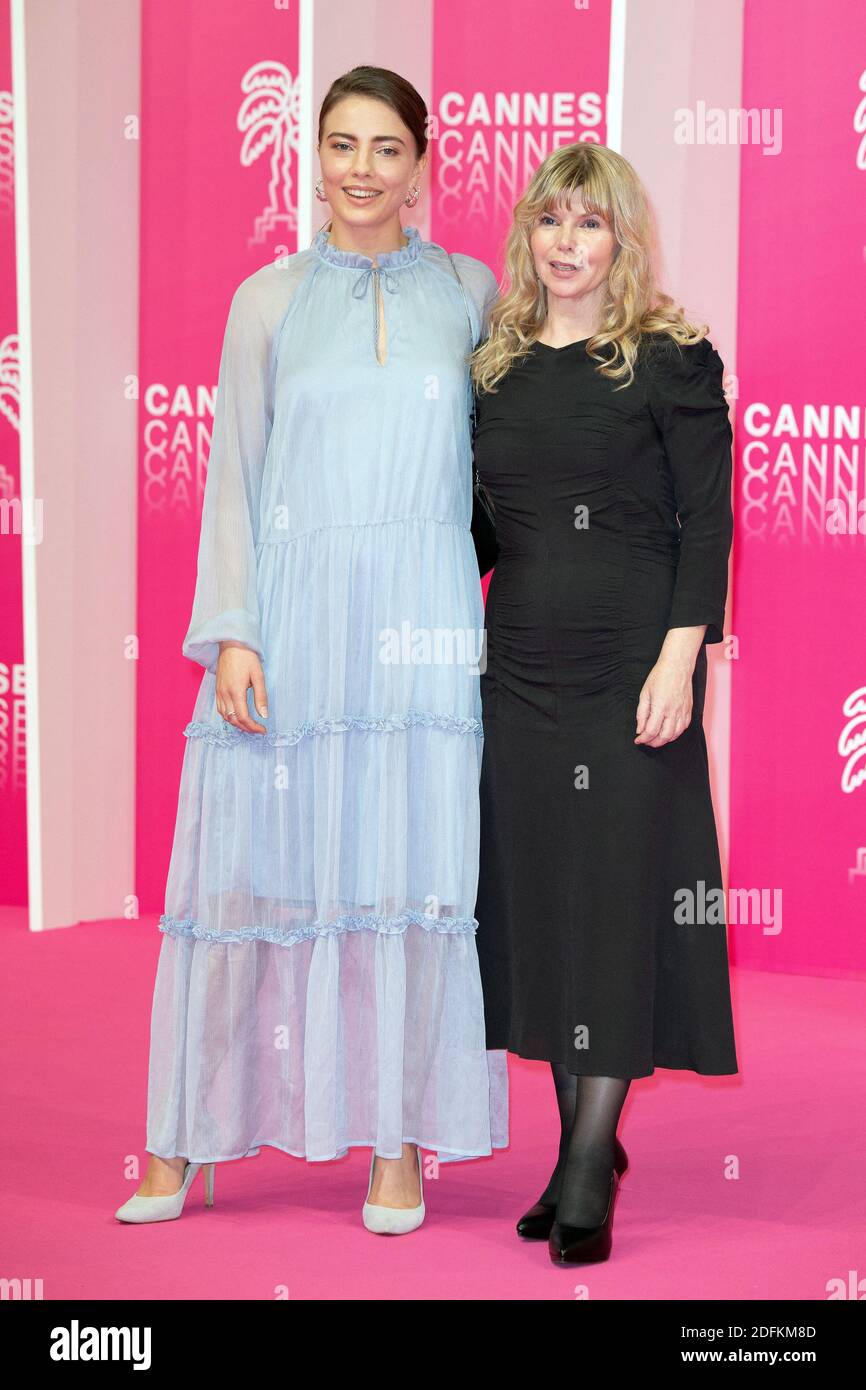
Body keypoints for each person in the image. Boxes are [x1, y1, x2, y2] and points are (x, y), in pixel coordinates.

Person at [115, 65, 508, 1233]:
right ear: (314, 157)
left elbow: (518, 463)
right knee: (243, 877)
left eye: (386, 148)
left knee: (407, 879)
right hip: (291, 617)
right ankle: (182, 1136)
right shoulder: (267, 299)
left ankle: (394, 1145)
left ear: (421, 163)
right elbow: (231, 475)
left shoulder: (473, 293)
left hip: (424, 623)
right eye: (340, 145)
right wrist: (230, 630)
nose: (359, 170)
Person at [470, 143, 738, 1265]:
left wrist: (681, 659)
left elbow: (706, 520)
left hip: (632, 665)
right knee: (544, 904)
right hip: (518, 669)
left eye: (590, 224)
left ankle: (587, 1159)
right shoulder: (492, 369)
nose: (566, 243)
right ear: (528, 236)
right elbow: (474, 535)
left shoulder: (670, 358)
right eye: (550, 222)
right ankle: (579, 1132)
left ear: (622, 240)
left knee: (618, 902)